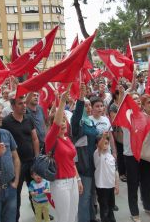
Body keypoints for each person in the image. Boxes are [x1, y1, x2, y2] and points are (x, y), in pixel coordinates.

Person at [45, 88, 83, 222]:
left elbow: (71, 161)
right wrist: (61, 102)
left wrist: (77, 179)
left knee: (73, 216)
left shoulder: (67, 139)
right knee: (64, 218)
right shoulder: (51, 140)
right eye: (60, 121)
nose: (62, 123)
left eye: (64, 120)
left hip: (72, 180)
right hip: (60, 183)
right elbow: (56, 125)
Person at [1, 96, 40, 222]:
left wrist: (37, 158)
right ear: (12, 106)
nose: (24, 106)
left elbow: (35, 139)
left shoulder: (29, 119)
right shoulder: (6, 122)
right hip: (16, 164)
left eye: (24, 103)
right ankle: (15, 218)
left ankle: (40, 214)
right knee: (15, 194)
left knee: (35, 189)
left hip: (31, 162)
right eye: (20, 104)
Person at [123, 93, 150, 222]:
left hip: (145, 154)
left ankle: (148, 206)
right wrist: (123, 94)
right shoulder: (126, 116)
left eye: (138, 99)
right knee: (133, 184)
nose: (137, 101)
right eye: (134, 99)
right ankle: (134, 212)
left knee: (146, 182)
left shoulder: (146, 117)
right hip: (131, 155)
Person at [71, 83, 99, 222]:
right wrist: (81, 98)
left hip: (94, 164)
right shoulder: (78, 124)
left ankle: (91, 218)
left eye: (89, 105)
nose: (88, 108)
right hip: (83, 165)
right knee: (84, 198)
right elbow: (76, 116)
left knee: (90, 196)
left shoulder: (91, 123)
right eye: (86, 106)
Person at [94, 133, 119, 222]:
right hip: (102, 187)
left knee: (110, 206)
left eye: (107, 143)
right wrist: (104, 136)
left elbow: (115, 172)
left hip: (110, 186)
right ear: (97, 145)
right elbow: (100, 147)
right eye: (103, 143)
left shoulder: (111, 157)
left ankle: (112, 219)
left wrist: (116, 185)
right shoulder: (97, 154)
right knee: (104, 208)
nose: (105, 144)